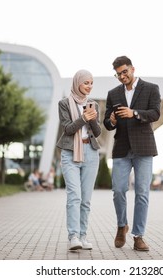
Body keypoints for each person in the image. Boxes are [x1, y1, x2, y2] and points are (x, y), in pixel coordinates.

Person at [103, 56, 161, 251]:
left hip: (144, 147)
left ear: (132, 69)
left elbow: (155, 113)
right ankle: (122, 226)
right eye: (118, 74)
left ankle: (138, 236)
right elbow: (107, 124)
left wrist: (134, 113)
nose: (121, 76)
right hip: (121, 148)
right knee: (118, 190)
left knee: (142, 193)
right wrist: (111, 119)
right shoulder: (113, 93)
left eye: (124, 72)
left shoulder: (151, 88)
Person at [56, 69, 101, 251]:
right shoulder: (64, 104)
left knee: (86, 199)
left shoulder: (93, 104)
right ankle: (73, 236)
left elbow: (97, 133)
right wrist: (83, 118)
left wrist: (92, 120)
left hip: (90, 152)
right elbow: (67, 129)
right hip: (70, 152)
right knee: (74, 196)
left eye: (91, 83)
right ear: (77, 83)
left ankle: (83, 236)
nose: (89, 86)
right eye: (86, 83)